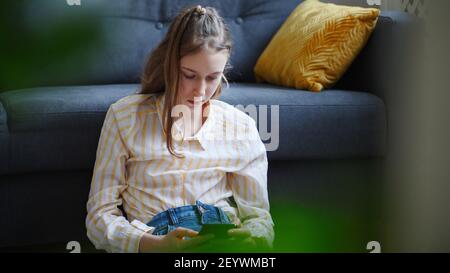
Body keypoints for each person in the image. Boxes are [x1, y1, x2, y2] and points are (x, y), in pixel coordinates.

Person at [85, 5, 274, 253]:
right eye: (189, 75)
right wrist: (152, 245)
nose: (201, 91)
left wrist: (254, 237)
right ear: (170, 66)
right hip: (157, 236)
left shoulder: (241, 126)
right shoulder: (124, 117)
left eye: (212, 77)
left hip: (221, 236)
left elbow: (260, 218)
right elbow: (99, 216)